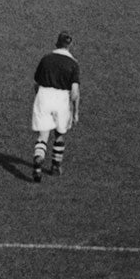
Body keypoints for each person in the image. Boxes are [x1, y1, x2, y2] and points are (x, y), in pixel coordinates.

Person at [30, 32, 81, 182]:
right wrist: (76, 111)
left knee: (43, 136)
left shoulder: (46, 59)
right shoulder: (73, 64)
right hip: (61, 100)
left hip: (44, 96)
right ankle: (55, 167)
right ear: (70, 45)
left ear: (56, 43)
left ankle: (39, 159)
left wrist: (39, 100)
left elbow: (36, 84)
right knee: (59, 134)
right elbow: (75, 92)